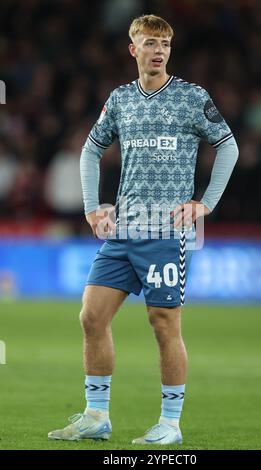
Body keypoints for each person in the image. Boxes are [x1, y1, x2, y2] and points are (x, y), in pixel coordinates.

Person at [48, 14, 238, 445]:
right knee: (91, 317)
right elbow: (89, 150)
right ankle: (97, 415)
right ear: (133, 49)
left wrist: (206, 203)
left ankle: (170, 423)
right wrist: (92, 207)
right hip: (123, 232)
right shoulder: (119, 100)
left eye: (165, 45)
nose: (159, 51)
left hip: (165, 231)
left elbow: (228, 145)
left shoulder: (192, 98)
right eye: (150, 43)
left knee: (163, 323)